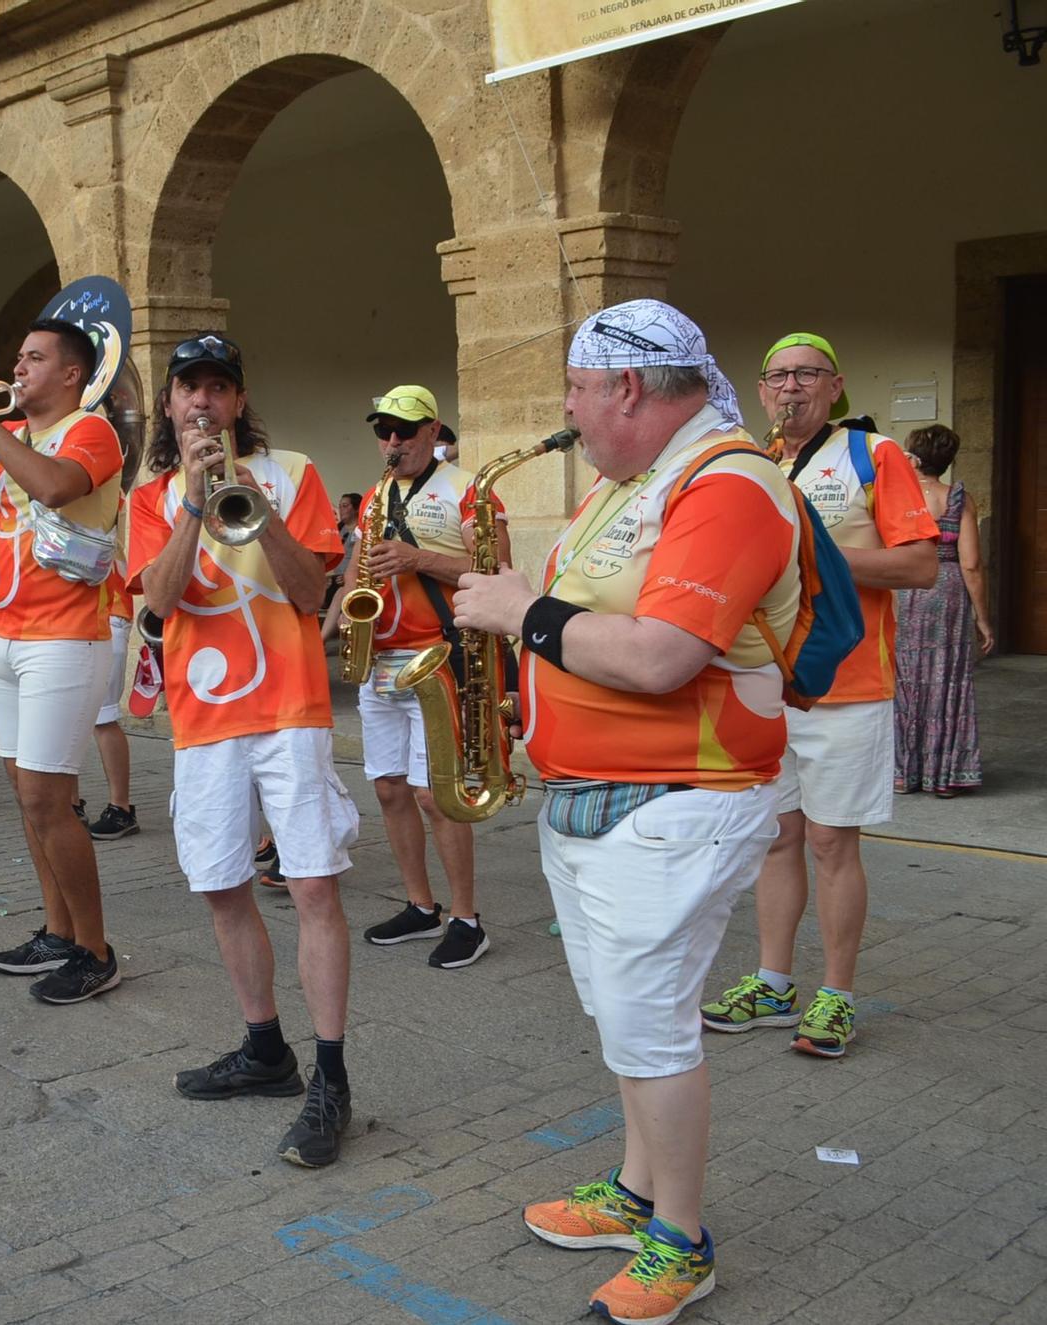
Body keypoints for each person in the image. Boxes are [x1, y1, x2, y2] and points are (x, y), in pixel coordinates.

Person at [455, 299, 801, 1325]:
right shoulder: (629, 485)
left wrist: (519, 612)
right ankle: (635, 1187)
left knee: (650, 1030)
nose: (563, 410)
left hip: (679, 799)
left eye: (572, 388)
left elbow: (659, 656)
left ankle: (680, 1241)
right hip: (597, 799)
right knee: (621, 1017)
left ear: (627, 390)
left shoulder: (727, 483)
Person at [130, 332, 360, 1166]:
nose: (203, 403)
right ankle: (266, 1049)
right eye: (189, 388)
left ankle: (331, 1076)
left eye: (218, 389)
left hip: (290, 707)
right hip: (205, 715)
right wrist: (194, 503)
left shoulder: (291, 473)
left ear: (238, 400)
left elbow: (308, 591)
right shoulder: (150, 496)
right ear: (168, 404)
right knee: (222, 885)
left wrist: (251, 506)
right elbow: (158, 600)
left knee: (311, 888)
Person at [700, 333, 937, 1059]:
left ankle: (836, 993)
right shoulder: (756, 460)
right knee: (777, 839)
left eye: (805, 375)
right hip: (767, 685)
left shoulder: (874, 455)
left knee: (834, 843)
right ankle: (774, 983)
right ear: (763, 392)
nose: (790, 388)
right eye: (776, 377)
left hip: (849, 684)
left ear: (835, 387)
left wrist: (816, 554)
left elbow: (921, 564)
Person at [0, 323, 124, 1003]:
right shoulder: (4, 440)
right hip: (4, 637)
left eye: (35, 358)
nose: (19, 366)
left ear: (70, 375)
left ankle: (95, 949)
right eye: (19, 357)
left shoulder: (88, 430)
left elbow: (56, 488)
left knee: (47, 797)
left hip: (66, 636)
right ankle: (58, 931)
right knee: (30, 800)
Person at [330, 385, 505, 970]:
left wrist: (416, 558)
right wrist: (328, 632)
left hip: (439, 656)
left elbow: (498, 572)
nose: (393, 441)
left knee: (438, 796)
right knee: (388, 787)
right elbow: (358, 565)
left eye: (405, 430)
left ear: (434, 431)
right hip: (380, 655)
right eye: (384, 430)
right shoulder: (379, 491)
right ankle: (419, 904)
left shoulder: (470, 489)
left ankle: (466, 918)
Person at [893, 424, 992, 796]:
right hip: (948, 590)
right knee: (946, 680)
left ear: (914, 457)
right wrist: (983, 620)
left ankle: (905, 773)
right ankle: (945, 776)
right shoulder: (959, 499)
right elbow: (971, 564)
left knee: (905, 678)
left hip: (905, 588)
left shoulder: (896, 496)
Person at [86, 495, 139, 842]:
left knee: (103, 718)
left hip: (108, 614)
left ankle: (121, 807)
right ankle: (71, 803)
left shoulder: (104, 497)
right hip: (73, 622)